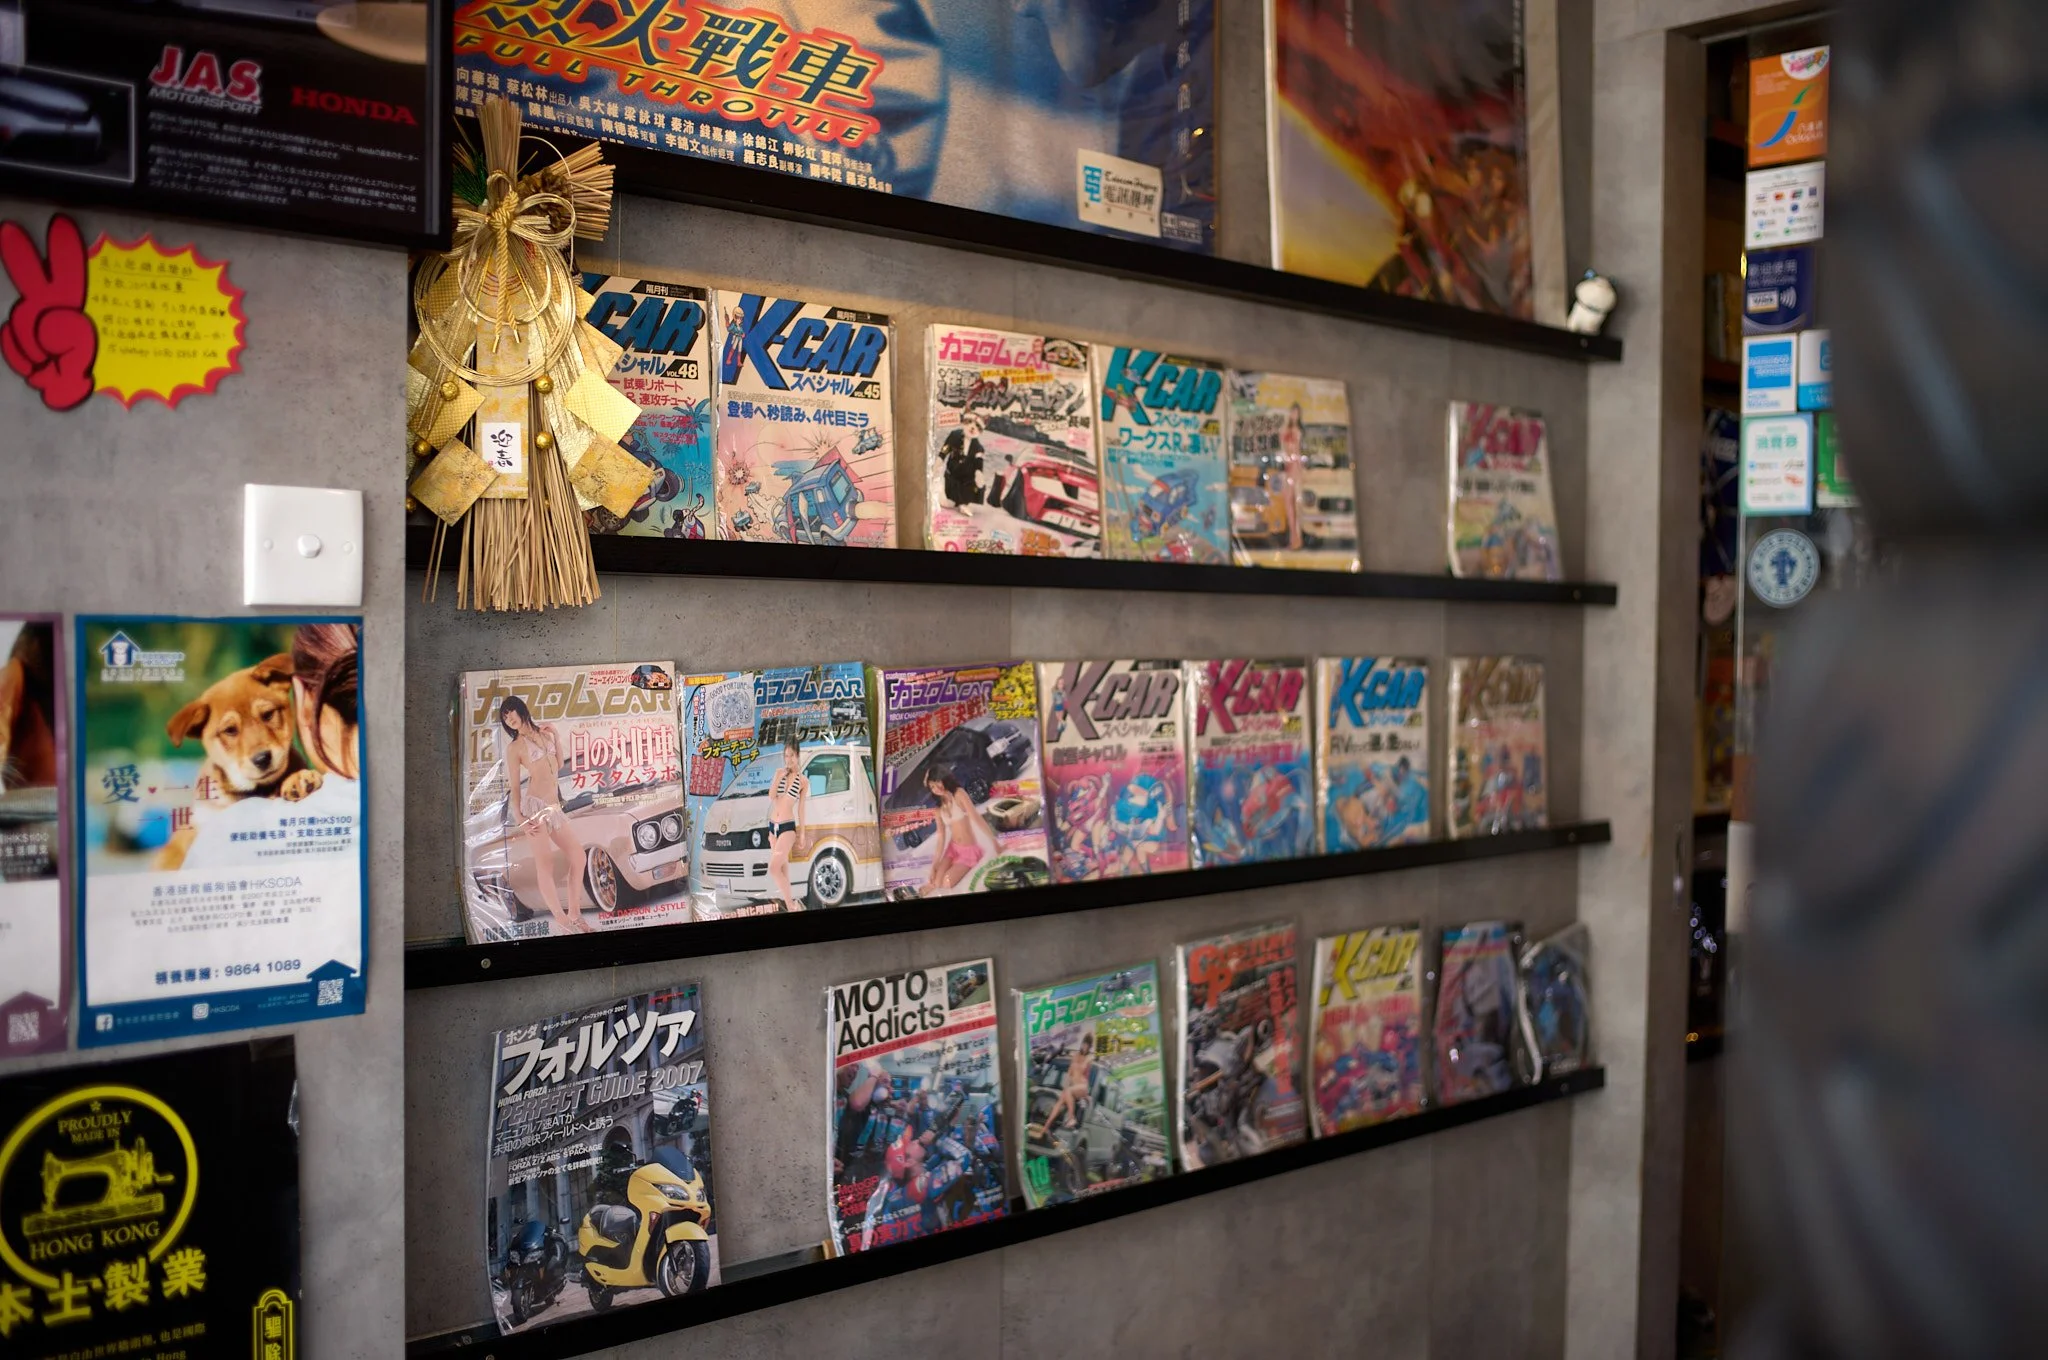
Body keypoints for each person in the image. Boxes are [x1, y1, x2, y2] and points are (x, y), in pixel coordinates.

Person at [498, 695, 592, 934]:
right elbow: (515, 786)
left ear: (521, 709)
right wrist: (520, 817)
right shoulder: (514, 748)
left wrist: (557, 737)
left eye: (510, 713)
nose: (509, 720)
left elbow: (558, 764)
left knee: (578, 856)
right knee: (545, 864)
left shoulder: (546, 735)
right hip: (534, 808)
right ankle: (561, 919)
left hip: (553, 808)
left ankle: (574, 913)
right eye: (505, 718)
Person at [921, 765, 998, 895]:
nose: (937, 788)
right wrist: (934, 865)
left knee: (946, 882)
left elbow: (976, 818)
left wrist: (995, 842)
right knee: (938, 881)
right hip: (952, 849)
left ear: (943, 778)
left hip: (968, 850)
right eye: (932, 787)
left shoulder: (958, 794)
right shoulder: (938, 810)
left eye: (937, 781)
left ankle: (933, 885)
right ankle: (932, 885)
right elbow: (941, 838)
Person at [765, 738, 808, 914]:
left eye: (791, 755)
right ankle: (791, 907)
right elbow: (771, 796)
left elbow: (801, 810)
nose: (788, 759)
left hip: (788, 828)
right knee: (782, 869)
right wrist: (778, 778)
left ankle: (791, 905)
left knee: (773, 868)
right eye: (786, 756)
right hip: (772, 828)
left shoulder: (803, 781)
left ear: (797, 755)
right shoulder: (779, 773)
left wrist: (802, 834)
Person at [939, 413, 985, 509]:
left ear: (980, 431)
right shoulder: (954, 435)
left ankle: (964, 503)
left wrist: (979, 473)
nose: (973, 427)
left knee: (971, 486)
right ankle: (952, 499)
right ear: (964, 423)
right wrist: (939, 460)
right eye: (969, 422)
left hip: (967, 478)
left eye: (977, 426)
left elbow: (979, 463)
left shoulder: (979, 447)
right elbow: (945, 450)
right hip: (952, 473)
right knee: (951, 487)